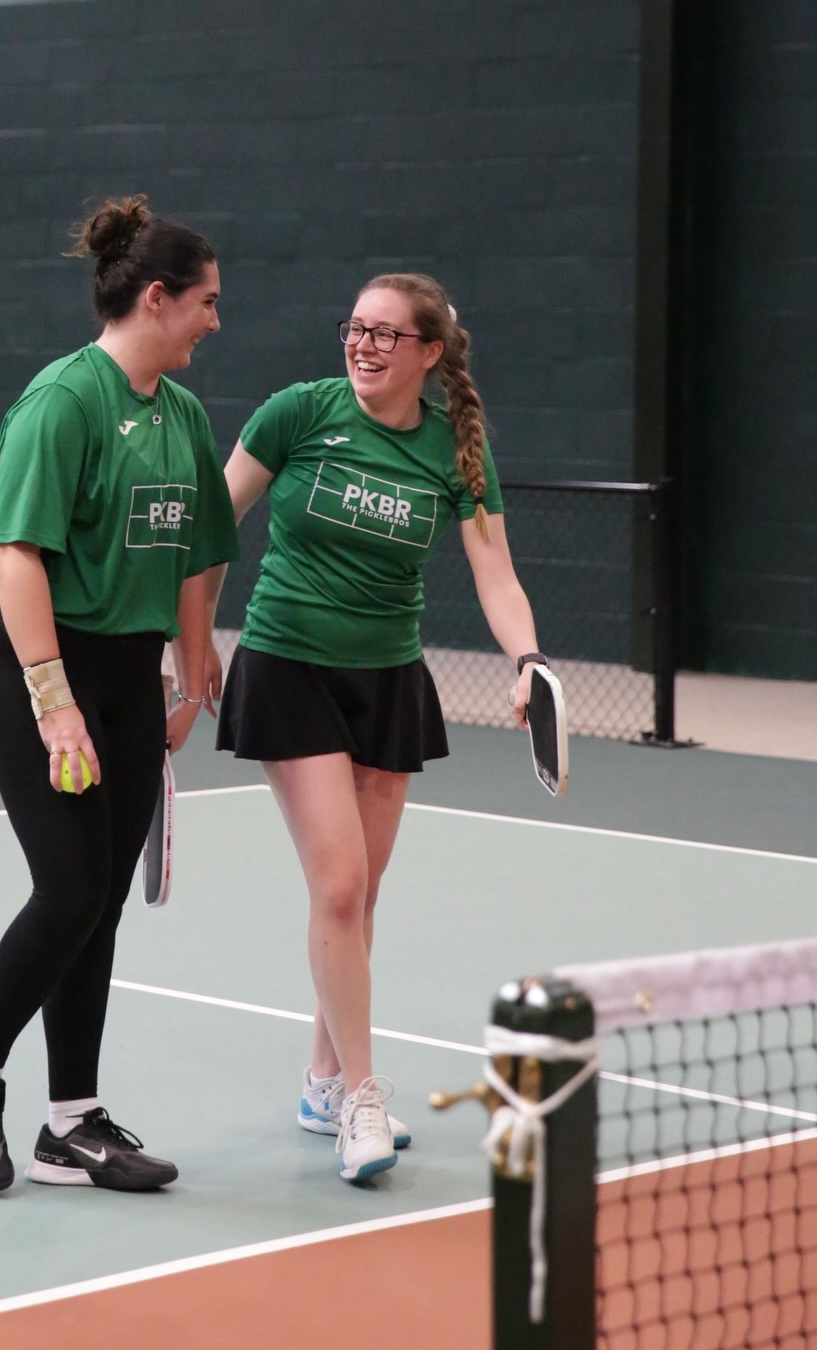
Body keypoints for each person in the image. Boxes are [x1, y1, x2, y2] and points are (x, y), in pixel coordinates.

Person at [211, 272, 544, 1184]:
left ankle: (322, 1080)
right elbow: (212, 523)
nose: (363, 345)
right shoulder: (297, 414)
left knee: (361, 893)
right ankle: (362, 1097)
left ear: (428, 354)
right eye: (354, 328)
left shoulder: (454, 451)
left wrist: (528, 661)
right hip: (288, 662)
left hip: (388, 677)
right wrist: (184, 641)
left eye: (385, 334)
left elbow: (496, 574)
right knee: (342, 878)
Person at [0, 196, 236, 1195]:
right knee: (68, 888)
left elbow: (199, 554)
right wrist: (52, 700)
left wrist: (193, 671)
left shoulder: (183, 414)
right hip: (34, 668)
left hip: (125, 673)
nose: (215, 321)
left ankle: (72, 1122)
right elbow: (16, 556)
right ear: (157, 299)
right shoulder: (62, 402)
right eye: (206, 302)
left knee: (101, 902)